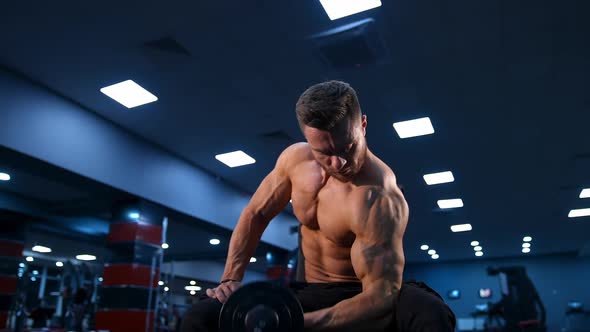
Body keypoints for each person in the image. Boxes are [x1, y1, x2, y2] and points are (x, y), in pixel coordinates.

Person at [181, 80, 456, 331]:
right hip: (308, 291)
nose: (339, 163)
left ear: (362, 125)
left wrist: (295, 324)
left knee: (429, 312)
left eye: (348, 147)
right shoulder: (294, 161)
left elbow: (382, 295)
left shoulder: (378, 196)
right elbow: (256, 213)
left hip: (363, 294)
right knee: (202, 316)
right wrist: (230, 279)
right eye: (325, 153)